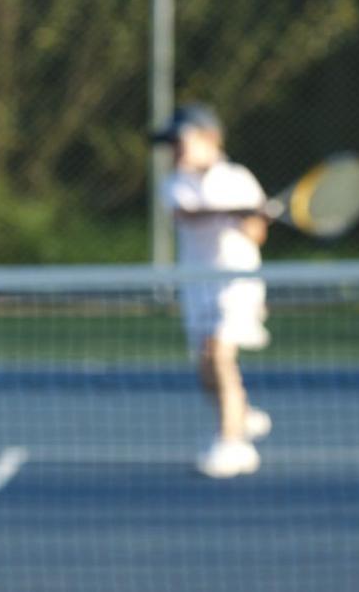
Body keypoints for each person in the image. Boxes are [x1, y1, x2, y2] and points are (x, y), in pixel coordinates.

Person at [152, 104, 272, 479]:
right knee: (207, 369)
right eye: (170, 144)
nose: (174, 150)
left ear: (210, 139)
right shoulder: (173, 183)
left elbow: (257, 235)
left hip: (237, 283)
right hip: (196, 286)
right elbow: (185, 215)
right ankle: (241, 412)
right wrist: (232, 210)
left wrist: (250, 217)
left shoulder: (239, 178)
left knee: (217, 353)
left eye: (180, 140)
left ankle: (234, 446)